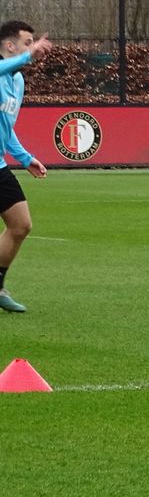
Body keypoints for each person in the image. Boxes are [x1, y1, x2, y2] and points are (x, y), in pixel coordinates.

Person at [0, 20, 55, 313]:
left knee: (21, 225)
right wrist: (29, 56)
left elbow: (6, 127)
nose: (33, 48)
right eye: (27, 43)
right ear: (10, 46)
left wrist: (25, 158)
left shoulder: (17, 81)